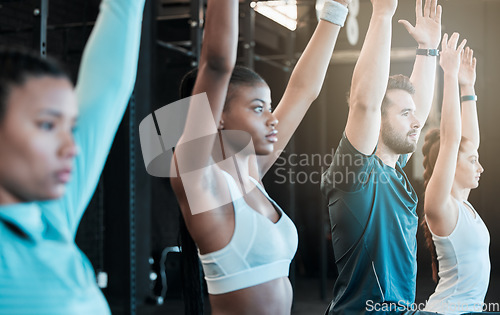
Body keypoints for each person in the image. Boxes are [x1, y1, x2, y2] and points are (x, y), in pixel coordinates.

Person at [169, 0, 351, 314]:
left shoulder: (252, 174)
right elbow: (216, 64)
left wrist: (335, 11)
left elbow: (303, 90)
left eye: (269, 107)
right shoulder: (200, 179)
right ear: (218, 116)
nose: (272, 118)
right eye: (257, 108)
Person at [0, 0, 145, 314]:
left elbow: (110, 85)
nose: (72, 147)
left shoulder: (48, 219)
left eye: (71, 128)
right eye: (48, 125)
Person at [321, 0, 442, 313]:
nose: (417, 122)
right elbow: (364, 102)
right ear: (378, 120)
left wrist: (428, 50)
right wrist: (382, 13)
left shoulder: (395, 169)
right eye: (404, 113)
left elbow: (419, 111)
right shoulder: (356, 175)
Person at [421, 35, 489, 314]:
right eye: (473, 161)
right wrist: (448, 75)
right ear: (450, 164)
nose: (480, 167)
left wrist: (468, 87)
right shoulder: (441, 207)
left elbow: (466, 142)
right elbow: (452, 139)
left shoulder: (463, 204)